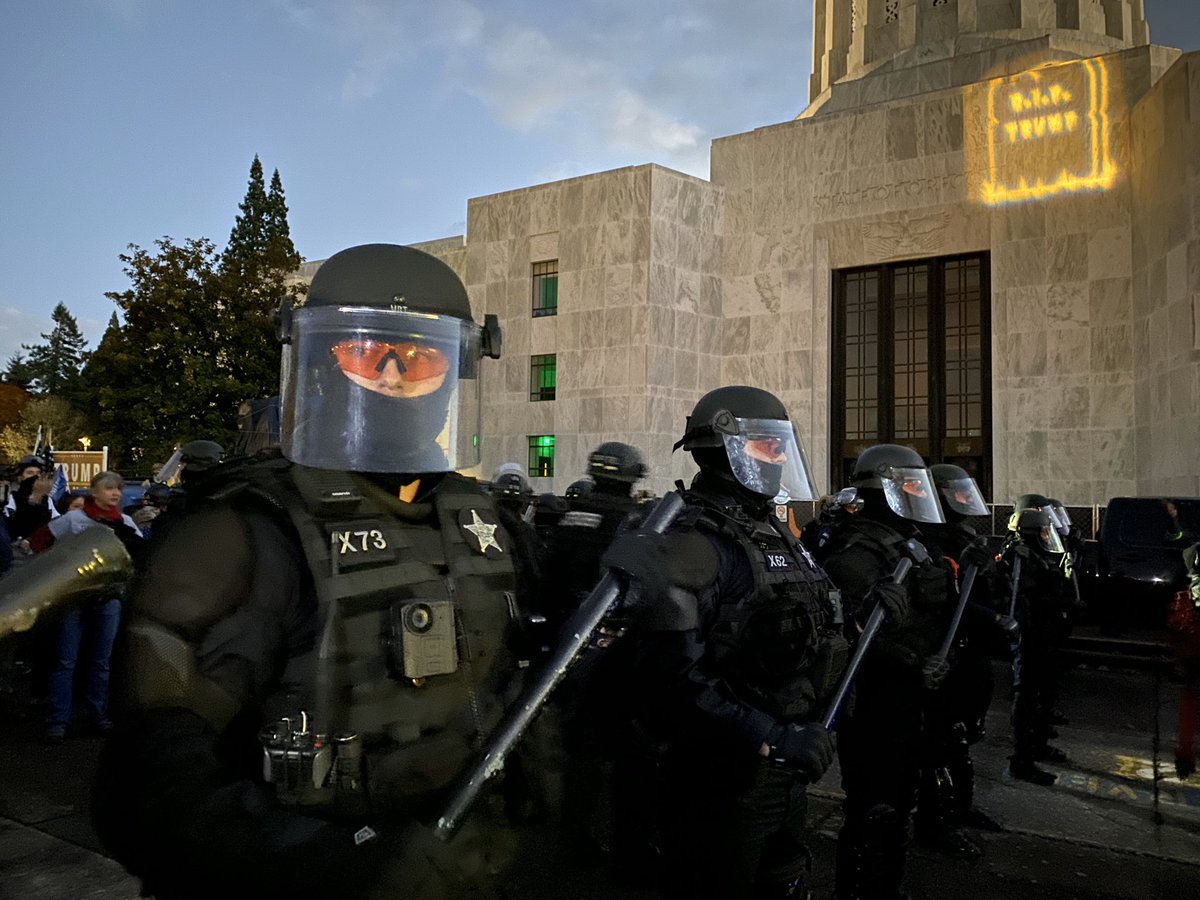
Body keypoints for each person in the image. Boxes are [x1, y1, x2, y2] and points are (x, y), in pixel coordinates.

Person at [94, 243, 550, 900]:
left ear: (457, 370)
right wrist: (336, 865)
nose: (394, 377)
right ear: (317, 362)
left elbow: (518, 686)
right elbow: (149, 785)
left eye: (421, 356)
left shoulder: (484, 522)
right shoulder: (244, 531)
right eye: (368, 353)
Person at [604, 385, 847, 899]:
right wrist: (768, 735)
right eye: (767, 445)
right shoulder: (696, 540)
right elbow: (671, 678)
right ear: (722, 449)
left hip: (785, 767)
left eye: (781, 446)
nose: (780, 457)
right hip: (722, 779)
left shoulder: (769, 532)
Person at [812, 443, 954, 900]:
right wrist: (913, 662)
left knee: (898, 807)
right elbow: (850, 643)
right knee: (873, 812)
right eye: (909, 484)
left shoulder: (909, 543)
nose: (917, 492)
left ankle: (884, 887)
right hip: (873, 706)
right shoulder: (856, 554)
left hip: (910, 700)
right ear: (883, 490)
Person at [914, 464, 1013, 856]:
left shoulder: (960, 539)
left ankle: (961, 807)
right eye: (954, 494)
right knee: (936, 745)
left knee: (960, 738)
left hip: (967, 656)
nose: (963, 502)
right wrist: (989, 617)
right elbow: (949, 602)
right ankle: (934, 824)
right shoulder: (928, 542)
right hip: (941, 656)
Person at [27, 472, 144, 744]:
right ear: (93, 491)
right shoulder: (73, 520)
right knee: (66, 661)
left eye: (118, 489)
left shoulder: (125, 522)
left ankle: (96, 715)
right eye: (108, 488)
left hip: (107, 599)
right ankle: (59, 720)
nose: (115, 494)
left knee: (100, 662)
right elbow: (38, 542)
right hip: (75, 600)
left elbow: (139, 554)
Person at [1001, 507, 1072, 785]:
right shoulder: (1019, 558)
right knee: (1027, 696)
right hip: (1028, 635)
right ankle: (1022, 759)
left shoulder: (1035, 557)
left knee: (1042, 692)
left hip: (1043, 634)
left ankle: (1037, 745)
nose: (1047, 535)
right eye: (1043, 531)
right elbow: (1023, 596)